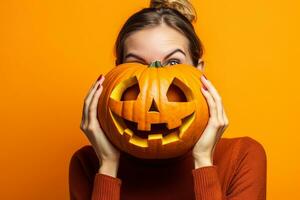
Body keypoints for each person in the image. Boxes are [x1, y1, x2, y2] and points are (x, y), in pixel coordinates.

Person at [69, 0, 267, 199]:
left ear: (199, 71)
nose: (154, 94)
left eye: (173, 62)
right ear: (116, 71)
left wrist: (203, 160)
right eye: (137, 64)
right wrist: (108, 165)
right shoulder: (87, 163)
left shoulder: (243, 156)